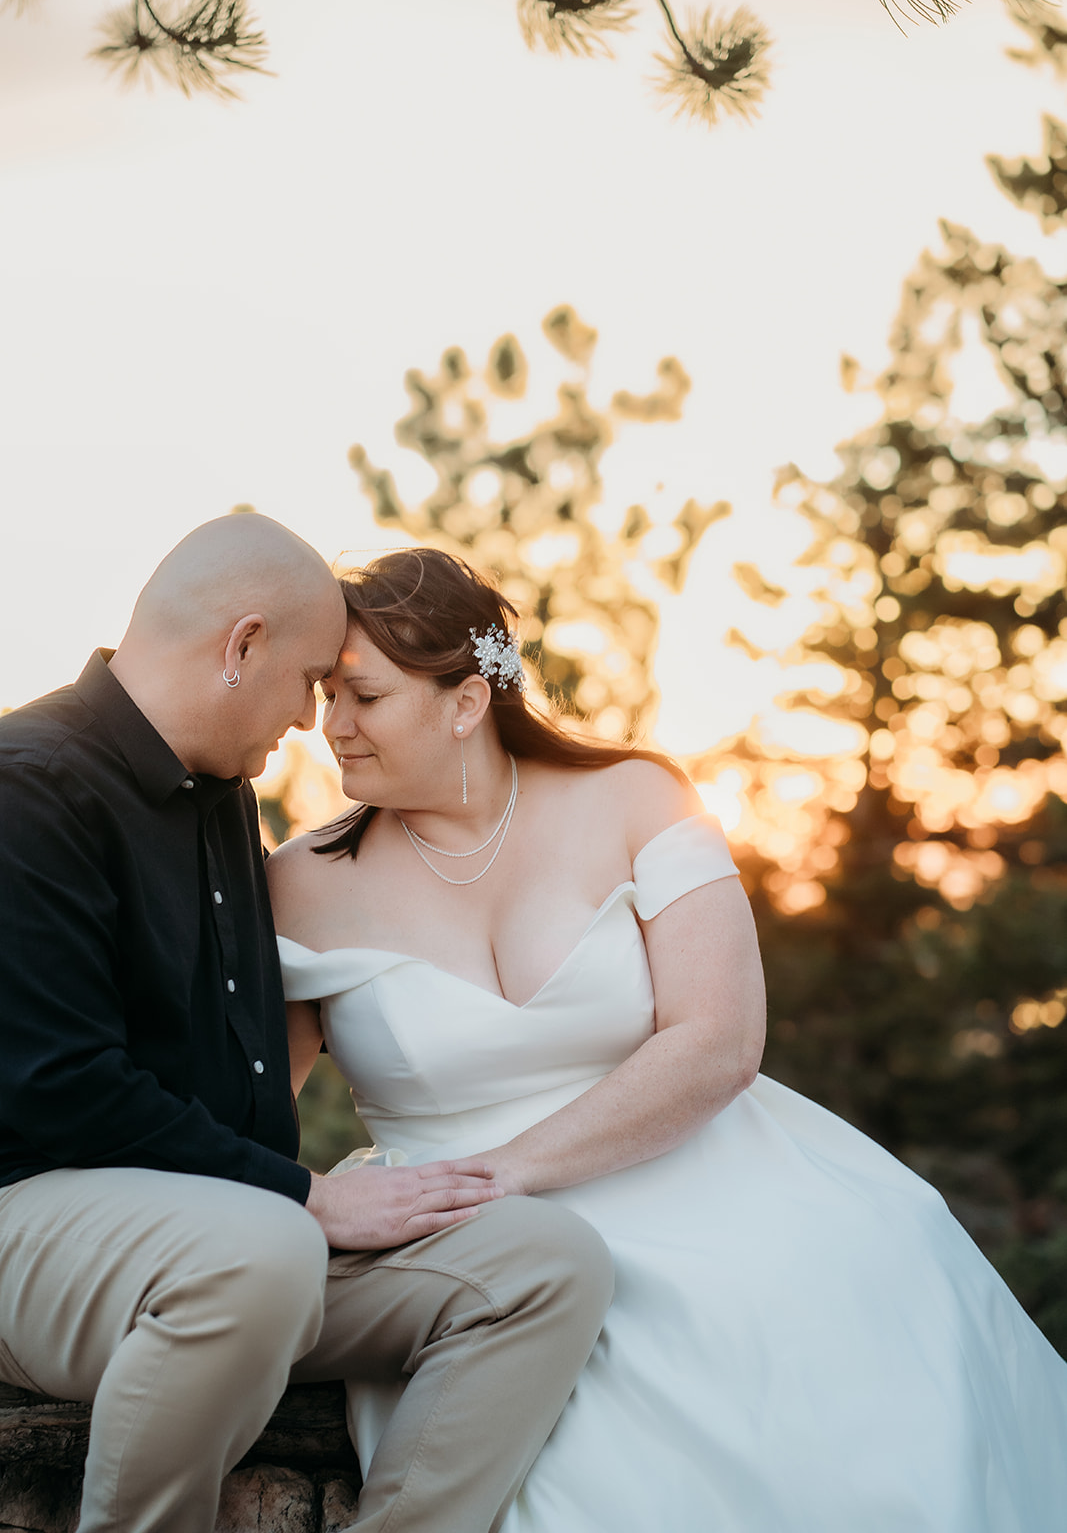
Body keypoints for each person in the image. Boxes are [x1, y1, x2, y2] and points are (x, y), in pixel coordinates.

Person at [269, 545, 1067, 1533]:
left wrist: (513, 1167)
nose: (328, 726)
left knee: (846, 1335)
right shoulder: (299, 881)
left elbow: (719, 1039)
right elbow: (248, 1112)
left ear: (465, 700)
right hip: (471, 1240)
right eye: (321, 693)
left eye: (362, 696)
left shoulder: (638, 798)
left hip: (704, 1165)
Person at [0, 515, 613, 1533]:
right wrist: (302, 1194)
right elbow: (54, 1085)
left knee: (547, 1262)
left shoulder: (221, 797)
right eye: (306, 681)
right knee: (260, 1250)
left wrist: (301, 1199)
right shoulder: (29, 785)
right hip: (37, 1226)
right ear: (240, 647)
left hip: (237, 1242)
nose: (309, 721)